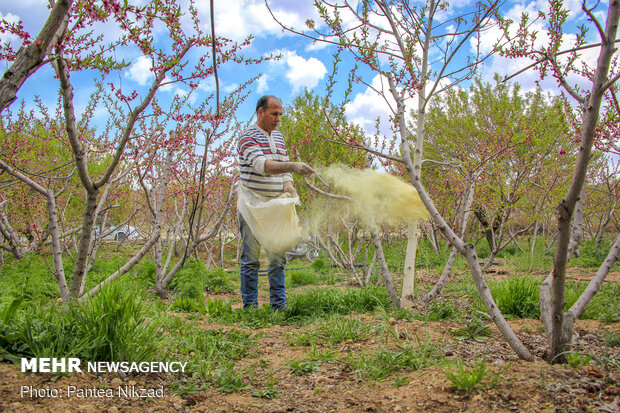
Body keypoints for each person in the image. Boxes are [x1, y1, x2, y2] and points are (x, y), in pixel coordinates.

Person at [237, 95, 315, 310]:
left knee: (277, 257)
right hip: (252, 206)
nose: (278, 118)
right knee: (251, 258)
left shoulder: (279, 137)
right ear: (260, 112)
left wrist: (289, 184)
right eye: (274, 114)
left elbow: (282, 165)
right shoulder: (247, 137)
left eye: (280, 114)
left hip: (276, 206)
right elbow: (263, 165)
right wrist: (293, 167)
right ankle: (250, 308)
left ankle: (279, 307)